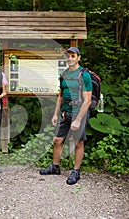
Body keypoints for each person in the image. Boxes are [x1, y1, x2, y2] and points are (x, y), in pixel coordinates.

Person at [39, 47, 92, 185]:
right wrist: (56, 114)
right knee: (57, 140)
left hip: (78, 111)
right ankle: (55, 166)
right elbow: (60, 96)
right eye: (68, 56)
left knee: (78, 142)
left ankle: (76, 171)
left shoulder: (84, 75)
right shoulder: (63, 74)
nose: (70, 58)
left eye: (73, 56)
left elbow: (88, 100)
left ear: (78, 58)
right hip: (65, 112)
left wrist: (79, 120)